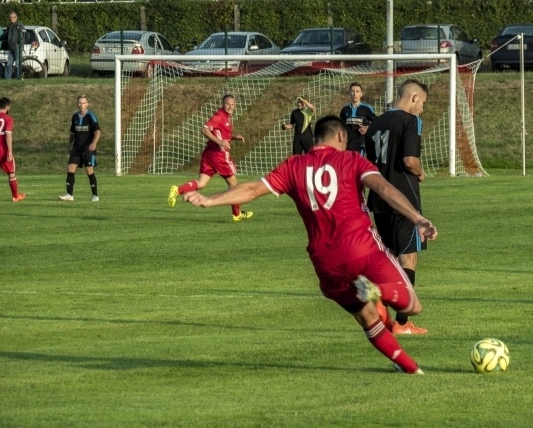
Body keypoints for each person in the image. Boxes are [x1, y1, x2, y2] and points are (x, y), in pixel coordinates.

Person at [182, 115, 438, 374]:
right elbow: (384, 189)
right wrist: (418, 218)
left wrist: (209, 200)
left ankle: (410, 369)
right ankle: (378, 291)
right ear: (340, 137)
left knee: (368, 319)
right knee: (412, 305)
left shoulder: (294, 166)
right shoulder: (351, 160)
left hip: (326, 262)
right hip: (363, 249)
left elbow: (250, 190)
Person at [365, 79, 430, 335]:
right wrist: (420, 172)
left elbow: (368, 162)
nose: (422, 110)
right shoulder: (410, 121)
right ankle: (402, 323)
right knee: (408, 257)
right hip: (404, 199)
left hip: (379, 198)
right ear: (413, 98)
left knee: (388, 258)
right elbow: (410, 160)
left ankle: (379, 313)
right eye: (422, 103)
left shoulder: (376, 123)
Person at [168, 94, 254, 222]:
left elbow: (221, 133)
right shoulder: (219, 116)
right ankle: (237, 214)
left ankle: (178, 189)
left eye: (232, 104)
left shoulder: (227, 117)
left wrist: (233, 137)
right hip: (219, 155)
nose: (230, 106)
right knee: (234, 185)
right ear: (222, 104)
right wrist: (219, 142)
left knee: (202, 184)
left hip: (209, 154)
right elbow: (204, 129)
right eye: (227, 104)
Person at [59, 95, 101, 202]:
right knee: (70, 168)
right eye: (79, 103)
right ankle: (69, 195)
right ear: (77, 104)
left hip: (88, 148)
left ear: (87, 104)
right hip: (77, 148)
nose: (81, 105)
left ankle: (95, 195)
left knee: (89, 170)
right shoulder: (75, 116)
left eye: (83, 103)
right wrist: (69, 144)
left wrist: (94, 143)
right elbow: (73, 132)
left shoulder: (91, 116)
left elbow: (98, 131)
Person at [0, 97, 25, 203]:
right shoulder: (8, 119)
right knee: (11, 173)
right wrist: (10, 151)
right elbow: (8, 135)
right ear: (7, 107)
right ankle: (15, 196)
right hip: (4, 151)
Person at [339, 82, 377, 155]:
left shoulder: (367, 109)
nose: (355, 94)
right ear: (350, 93)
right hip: (347, 145)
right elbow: (341, 126)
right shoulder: (344, 109)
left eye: (357, 91)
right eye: (352, 91)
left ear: (361, 94)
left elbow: (377, 122)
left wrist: (367, 127)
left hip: (361, 145)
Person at [5, 11, 24, 80]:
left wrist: (18, 42)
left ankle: (18, 78)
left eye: (13, 17)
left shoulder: (19, 25)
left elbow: (23, 34)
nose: (11, 19)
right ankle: (7, 80)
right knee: (8, 64)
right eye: (10, 18)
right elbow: (5, 35)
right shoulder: (10, 25)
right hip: (11, 47)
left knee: (18, 64)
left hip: (17, 47)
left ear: (16, 17)